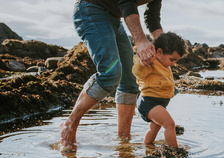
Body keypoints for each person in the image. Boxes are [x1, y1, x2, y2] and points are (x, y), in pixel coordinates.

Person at [60, 0, 164, 147]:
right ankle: (70, 123)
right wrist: (140, 40)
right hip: (91, 10)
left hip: (115, 19)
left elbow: (152, 19)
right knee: (110, 73)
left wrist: (165, 46)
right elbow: (126, 2)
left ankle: (123, 140)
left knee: (130, 80)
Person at [132, 31, 188, 147]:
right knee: (169, 124)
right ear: (159, 52)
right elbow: (137, 72)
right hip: (149, 102)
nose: (173, 64)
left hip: (159, 104)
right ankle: (174, 150)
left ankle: (147, 146)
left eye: (175, 61)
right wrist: (142, 63)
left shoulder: (164, 64)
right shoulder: (150, 62)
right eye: (172, 59)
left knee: (154, 129)